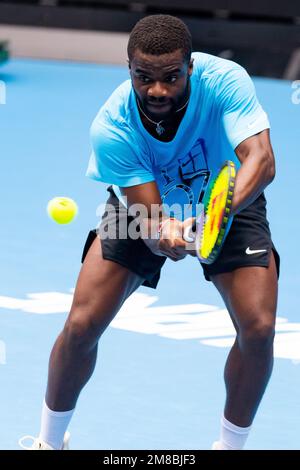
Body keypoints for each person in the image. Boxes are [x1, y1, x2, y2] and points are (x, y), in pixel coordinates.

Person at [20, 14, 279, 450]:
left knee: (258, 328)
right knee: (82, 325)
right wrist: (165, 233)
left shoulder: (225, 82)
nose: (157, 89)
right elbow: (152, 218)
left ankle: (230, 446)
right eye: (144, 77)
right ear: (129, 70)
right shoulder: (112, 127)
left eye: (171, 77)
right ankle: (49, 441)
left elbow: (261, 160)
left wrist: (216, 214)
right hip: (148, 204)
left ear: (190, 68)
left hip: (227, 195)